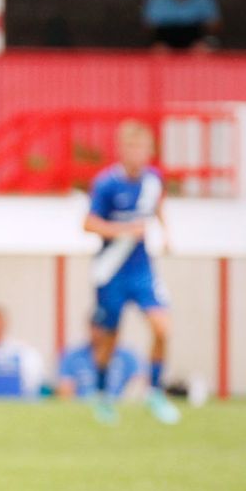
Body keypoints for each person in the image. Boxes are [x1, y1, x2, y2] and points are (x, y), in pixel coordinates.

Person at [84, 120, 181, 426]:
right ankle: (102, 397)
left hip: (141, 269)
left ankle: (154, 392)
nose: (137, 153)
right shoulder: (106, 184)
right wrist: (124, 230)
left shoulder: (153, 181)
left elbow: (157, 206)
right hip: (112, 270)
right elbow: (88, 224)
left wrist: (166, 233)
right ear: (122, 150)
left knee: (162, 328)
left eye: (142, 148)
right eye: (132, 147)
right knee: (109, 339)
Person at [57, 320, 142, 399]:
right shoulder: (73, 356)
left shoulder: (128, 357)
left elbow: (138, 384)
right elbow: (64, 388)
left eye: (104, 329)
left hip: (118, 403)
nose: (99, 333)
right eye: (96, 327)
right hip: (83, 404)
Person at [143, 0, 221, 51]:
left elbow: (214, 25)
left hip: (195, 39)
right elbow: (148, 25)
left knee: (204, 49)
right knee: (158, 50)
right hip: (164, 39)